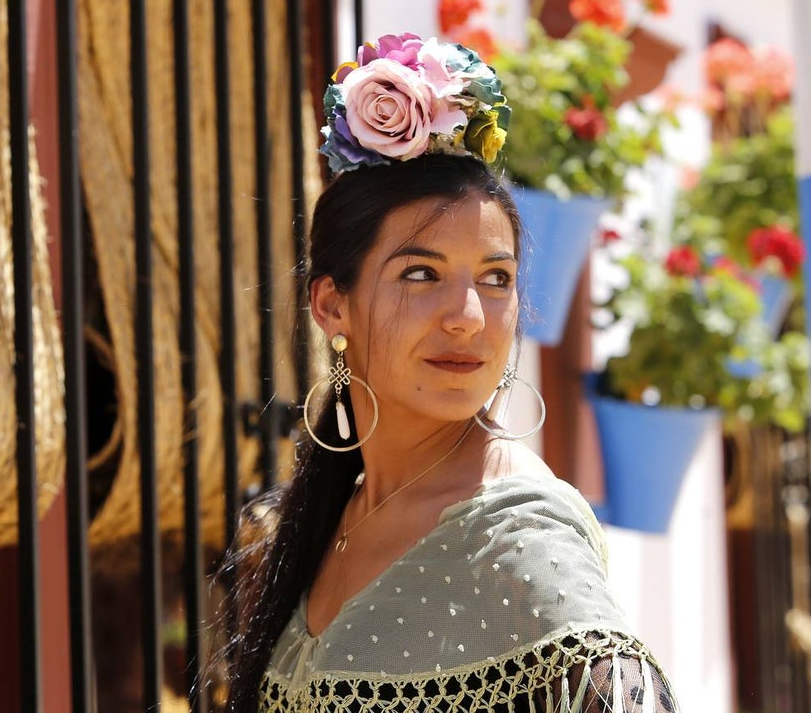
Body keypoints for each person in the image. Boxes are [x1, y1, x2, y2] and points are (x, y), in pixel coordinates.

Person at [217, 34, 677, 712]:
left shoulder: (517, 529)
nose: (467, 316)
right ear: (331, 303)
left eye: (495, 279)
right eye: (421, 273)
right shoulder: (328, 515)